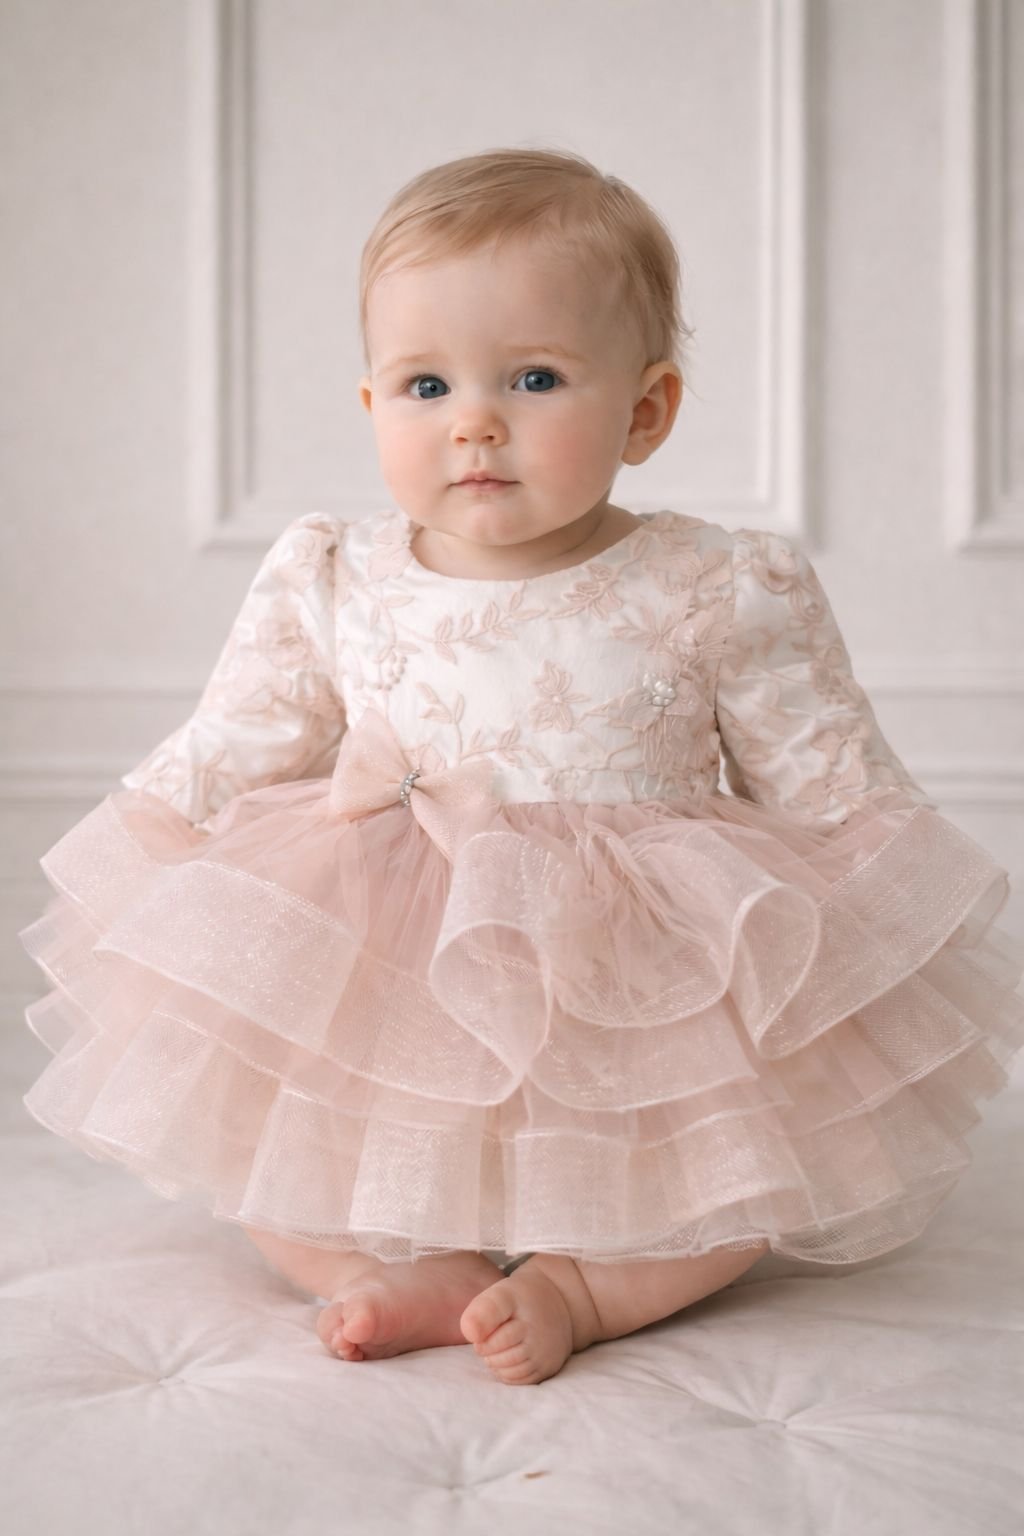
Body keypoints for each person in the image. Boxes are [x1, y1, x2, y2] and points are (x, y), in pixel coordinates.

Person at [19, 147, 1024, 1389]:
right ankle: (391, 1265)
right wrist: (152, 837)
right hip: (387, 931)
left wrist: (884, 900)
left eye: (534, 378)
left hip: (632, 950)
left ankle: (591, 1281)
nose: (474, 421)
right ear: (372, 404)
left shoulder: (717, 582)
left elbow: (824, 769)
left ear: (646, 410)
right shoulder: (332, 573)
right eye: (425, 384)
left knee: (742, 1162)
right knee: (262, 1139)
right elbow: (240, 735)